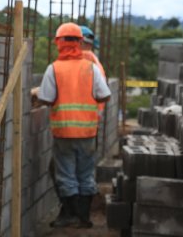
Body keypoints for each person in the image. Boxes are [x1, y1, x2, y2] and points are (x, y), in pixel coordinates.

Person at [37, 23, 111, 228]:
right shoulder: (92, 68)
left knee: (66, 174)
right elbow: (105, 94)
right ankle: (84, 218)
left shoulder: (54, 69)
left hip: (63, 132)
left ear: (58, 43)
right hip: (87, 131)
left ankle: (70, 215)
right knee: (86, 174)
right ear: (80, 42)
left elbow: (45, 98)